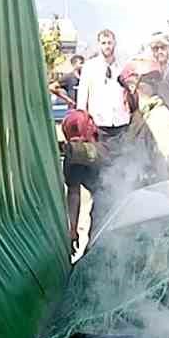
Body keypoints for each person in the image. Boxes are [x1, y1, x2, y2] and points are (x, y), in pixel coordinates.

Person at [126, 68, 169, 181]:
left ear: (141, 90)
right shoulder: (143, 116)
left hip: (162, 186)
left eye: (131, 90)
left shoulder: (159, 119)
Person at [60, 109, 101, 256]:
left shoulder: (105, 145)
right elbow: (74, 193)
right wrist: (72, 229)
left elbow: (74, 194)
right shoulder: (75, 156)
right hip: (103, 203)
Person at [77, 28, 131, 137]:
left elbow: (128, 93)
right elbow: (82, 95)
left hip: (121, 122)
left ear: (114, 43)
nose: (107, 46)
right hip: (98, 123)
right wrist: (82, 119)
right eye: (104, 43)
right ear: (99, 45)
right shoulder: (89, 66)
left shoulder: (122, 66)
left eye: (109, 43)